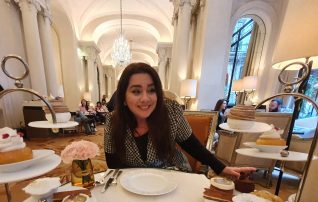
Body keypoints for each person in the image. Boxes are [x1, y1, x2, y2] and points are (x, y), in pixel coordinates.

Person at [104, 62, 255, 178]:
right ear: (123, 97)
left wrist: (221, 168)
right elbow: (114, 165)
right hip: (134, 182)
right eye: (136, 91)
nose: (145, 98)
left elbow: (192, 145)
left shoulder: (171, 111)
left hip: (174, 175)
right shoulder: (112, 121)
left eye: (151, 90)